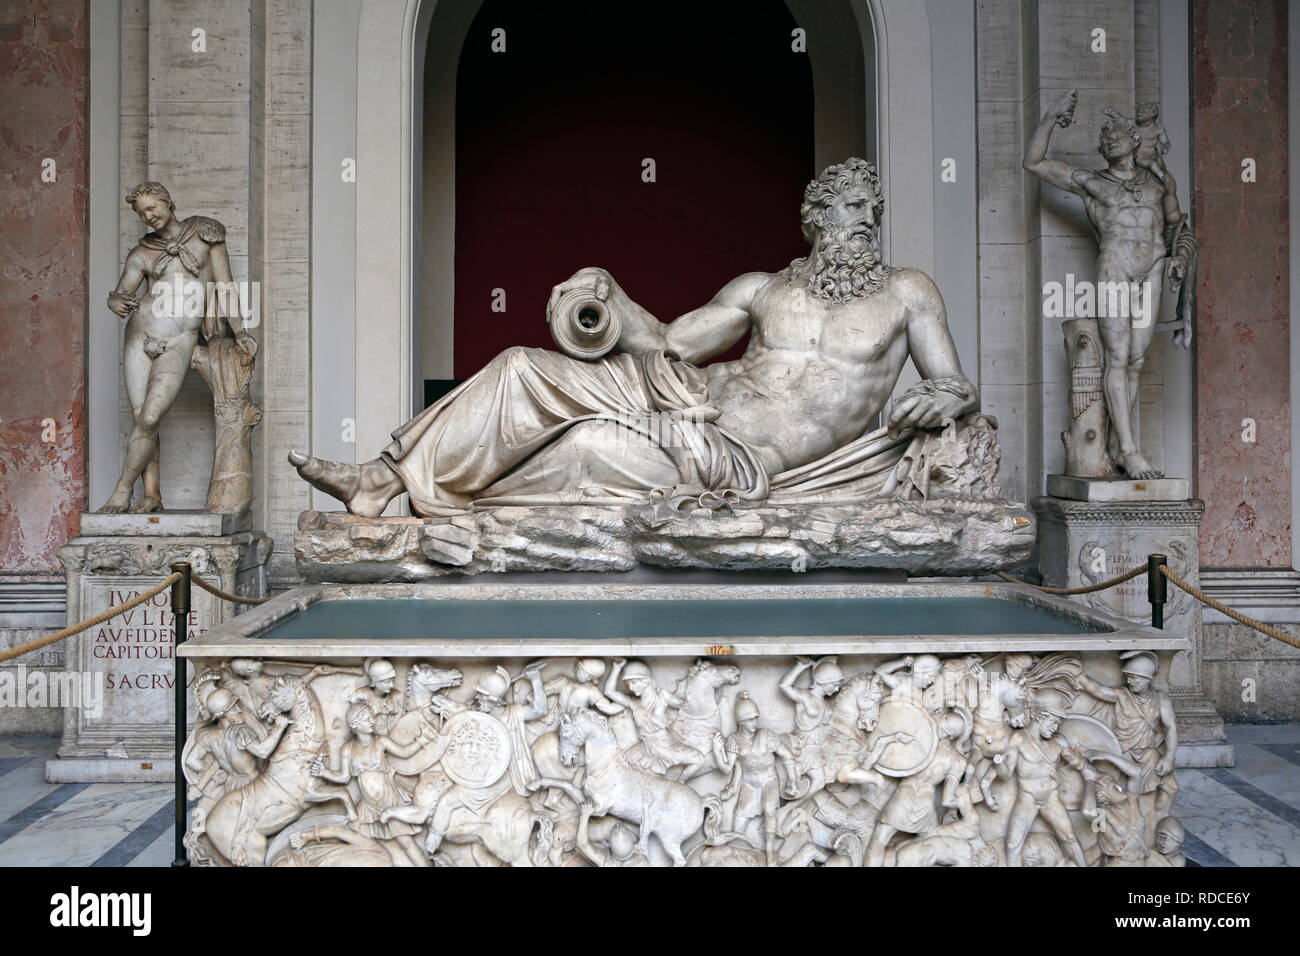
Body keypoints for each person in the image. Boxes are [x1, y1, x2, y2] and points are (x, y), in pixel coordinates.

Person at [289, 158, 979, 516]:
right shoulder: (763, 288)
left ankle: (435, 501)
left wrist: (943, 400)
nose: (867, 220)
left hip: (730, 454)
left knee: (587, 446)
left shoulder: (906, 291)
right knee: (519, 367)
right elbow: (669, 344)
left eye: (873, 210)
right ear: (817, 216)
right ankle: (381, 480)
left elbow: (956, 384)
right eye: (853, 207)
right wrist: (607, 293)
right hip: (683, 396)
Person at [1023, 91, 1195, 478]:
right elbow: (1032, 162)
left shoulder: (1159, 184)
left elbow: (1177, 228)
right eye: (1105, 139)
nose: (1111, 139)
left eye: (1118, 133)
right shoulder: (1093, 183)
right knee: (1118, 358)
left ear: (1134, 141)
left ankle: (1119, 443)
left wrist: (1180, 257)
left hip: (1152, 267)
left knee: (1136, 359)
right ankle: (1132, 451)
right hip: (1115, 268)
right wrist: (1052, 116)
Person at [101, 182, 255, 512]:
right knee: (142, 416)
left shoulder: (205, 235)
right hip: (140, 334)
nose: (148, 216)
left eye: (152, 208)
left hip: (179, 337)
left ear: (169, 203)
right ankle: (152, 494)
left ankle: (122, 490)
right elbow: (122, 293)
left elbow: (224, 285)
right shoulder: (142, 252)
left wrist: (239, 329)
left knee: (151, 416)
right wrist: (115, 301)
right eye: (142, 213)